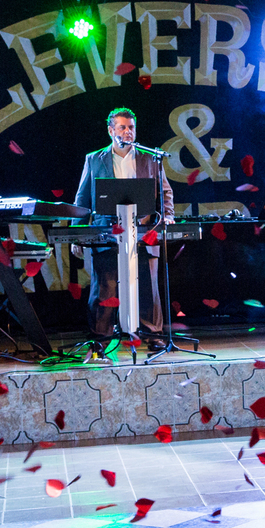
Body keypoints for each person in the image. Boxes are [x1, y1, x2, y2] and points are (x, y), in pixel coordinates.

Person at [73, 107, 174, 350]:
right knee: (105, 287)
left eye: (131, 127)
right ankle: (101, 338)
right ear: (111, 131)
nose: (128, 132)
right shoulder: (94, 159)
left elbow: (165, 191)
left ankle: (153, 335)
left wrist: (168, 216)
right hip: (106, 232)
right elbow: (82, 198)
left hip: (144, 231)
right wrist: (78, 234)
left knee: (148, 287)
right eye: (122, 127)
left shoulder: (150, 158)